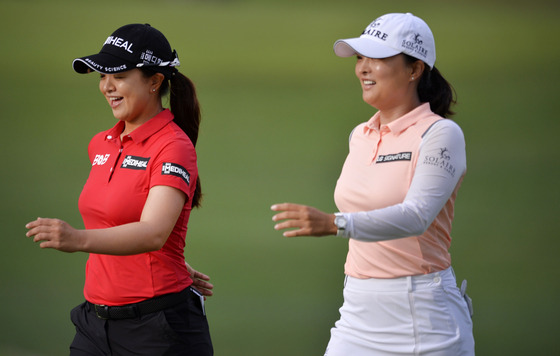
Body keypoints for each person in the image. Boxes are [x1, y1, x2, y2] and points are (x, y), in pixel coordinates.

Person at [271, 13, 474, 355]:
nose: (362, 68)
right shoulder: (360, 136)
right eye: (361, 58)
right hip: (357, 313)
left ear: (414, 69)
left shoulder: (440, 135)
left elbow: (417, 216)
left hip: (423, 318)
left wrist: (334, 223)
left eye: (377, 58)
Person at [25, 23, 214, 355]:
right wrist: (172, 261)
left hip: (158, 329)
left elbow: (154, 232)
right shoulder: (102, 143)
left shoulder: (173, 146)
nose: (107, 87)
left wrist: (77, 238)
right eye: (101, 76)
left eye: (119, 76)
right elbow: (114, 220)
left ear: (155, 81)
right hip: (94, 325)